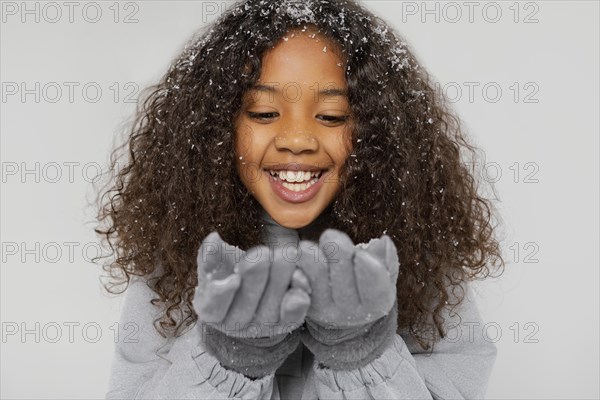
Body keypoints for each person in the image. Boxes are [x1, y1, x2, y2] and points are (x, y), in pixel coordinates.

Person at [95, 0, 505, 398]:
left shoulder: (419, 257)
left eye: (330, 116)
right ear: (216, 130)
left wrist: (359, 351)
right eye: (262, 113)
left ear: (379, 136)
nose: (296, 140)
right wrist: (229, 359)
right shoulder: (175, 261)